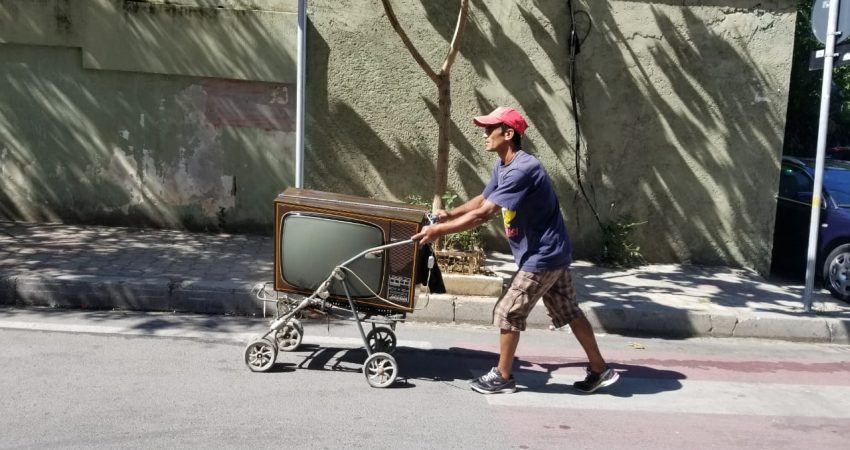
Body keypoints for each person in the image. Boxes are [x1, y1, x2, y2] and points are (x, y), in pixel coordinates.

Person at [412, 106, 618, 395]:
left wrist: (439, 231)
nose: (484, 134)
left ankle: (503, 376)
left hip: (543, 255)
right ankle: (600, 369)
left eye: (489, 129)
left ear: (508, 134)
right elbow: (484, 199)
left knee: (508, 311)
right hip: (551, 251)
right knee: (569, 311)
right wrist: (450, 214)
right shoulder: (504, 165)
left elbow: (484, 214)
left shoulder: (522, 169)